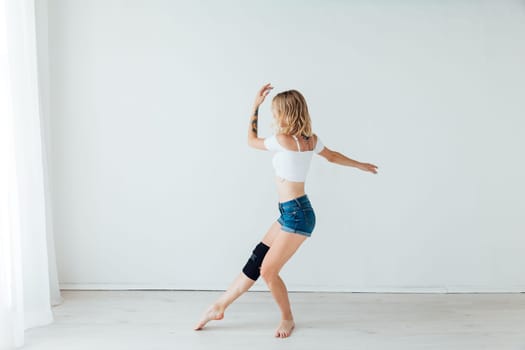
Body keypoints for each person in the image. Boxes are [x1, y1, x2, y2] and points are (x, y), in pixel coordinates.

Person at [194, 83, 378, 338]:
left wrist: (254, 107)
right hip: (292, 211)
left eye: (275, 112)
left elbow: (250, 140)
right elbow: (333, 156)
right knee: (257, 258)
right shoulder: (310, 140)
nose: (274, 117)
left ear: (285, 113)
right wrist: (360, 165)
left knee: (268, 271)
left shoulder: (282, 140)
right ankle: (219, 306)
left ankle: (287, 319)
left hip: (297, 215)